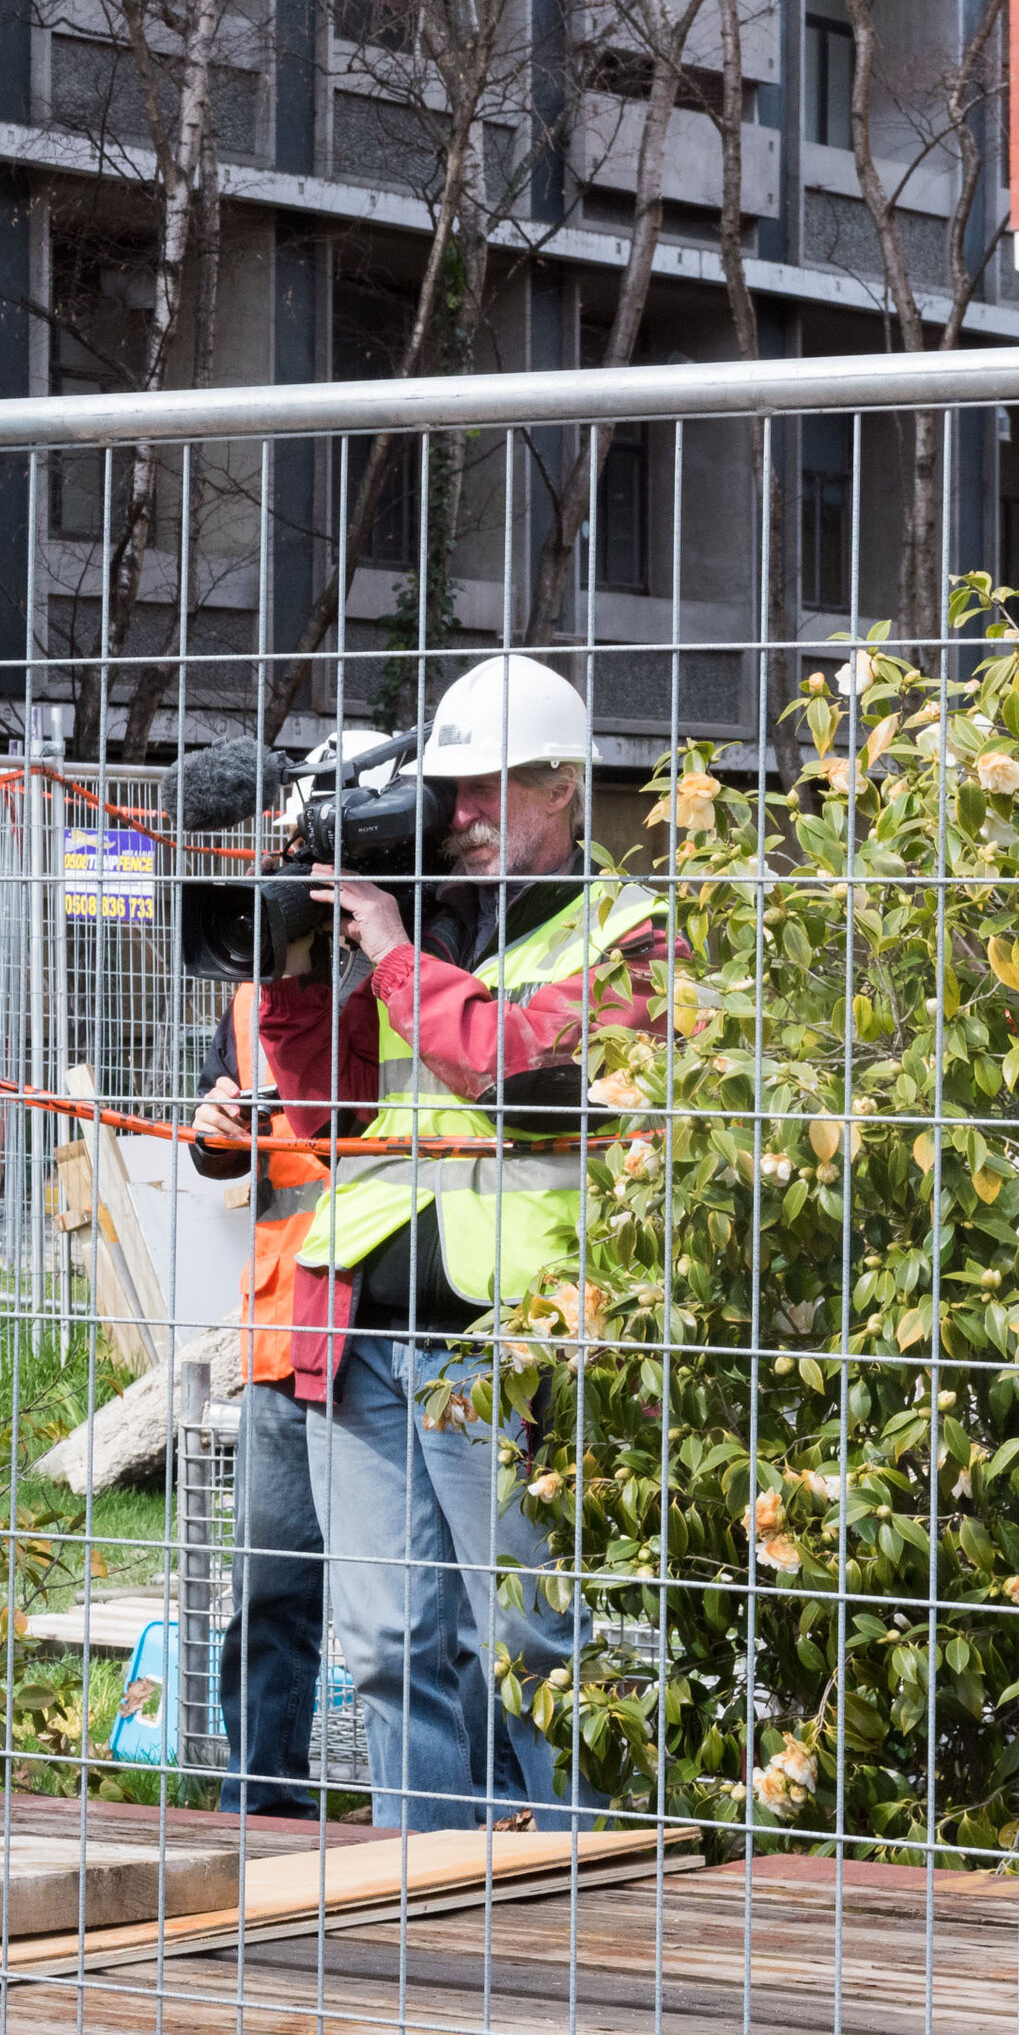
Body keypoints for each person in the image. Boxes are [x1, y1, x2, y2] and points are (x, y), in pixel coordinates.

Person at [257, 657, 669, 1833]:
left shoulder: (636, 938)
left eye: (487, 791)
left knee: (534, 1638)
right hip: (363, 1332)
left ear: (564, 785)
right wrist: (289, 968)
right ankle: (420, 1905)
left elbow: (523, 1072)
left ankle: (568, 1898)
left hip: (513, 1344)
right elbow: (331, 1111)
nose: (463, 817)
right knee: (391, 1643)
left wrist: (390, 951)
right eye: (451, 792)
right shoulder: (424, 924)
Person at [187, 731, 384, 1818]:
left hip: (393, 1322)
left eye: (302, 825)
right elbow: (235, 1119)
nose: (281, 844)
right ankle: (259, 1805)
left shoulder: (425, 956)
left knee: (406, 1606)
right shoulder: (255, 965)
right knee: (271, 1589)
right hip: (280, 1322)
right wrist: (213, 1129)